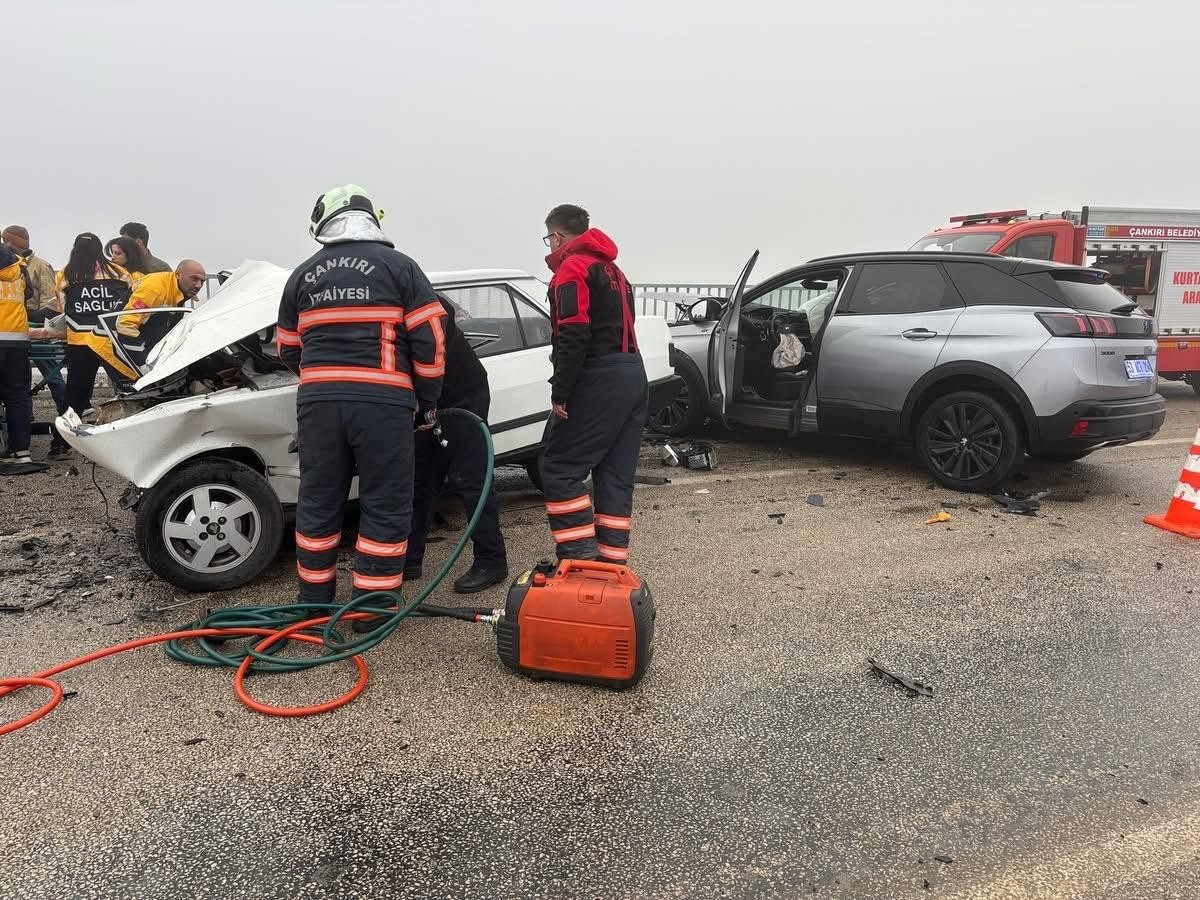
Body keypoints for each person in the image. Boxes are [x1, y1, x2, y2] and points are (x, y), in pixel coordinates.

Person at [276, 184, 446, 629]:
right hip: (384, 404)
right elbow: (431, 341)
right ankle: (371, 610)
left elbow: (287, 347)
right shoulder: (401, 268)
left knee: (318, 499)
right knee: (385, 503)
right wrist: (427, 400)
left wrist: (322, 379)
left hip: (318, 404)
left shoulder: (302, 275)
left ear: (324, 220)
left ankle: (313, 605)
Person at [539, 204, 647, 564]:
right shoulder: (615, 271)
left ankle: (579, 560)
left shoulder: (573, 268)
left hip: (599, 375)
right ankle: (612, 564)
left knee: (559, 467)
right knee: (615, 475)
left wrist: (561, 391)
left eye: (548, 239)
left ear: (557, 236)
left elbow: (573, 332)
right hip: (633, 374)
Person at [405, 297, 508, 593]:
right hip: (429, 402)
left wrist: (424, 405)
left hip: (463, 397)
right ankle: (409, 559)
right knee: (419, 482)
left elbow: (431, 355)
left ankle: (491, 561)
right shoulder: (383, 303)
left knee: (471, 481)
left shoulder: (423, 302)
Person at [48, 234, 136, 442]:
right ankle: (132, 435)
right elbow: (129, 301)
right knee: (127, 389)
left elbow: (62, 307)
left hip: (81, 342)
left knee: (75, 393)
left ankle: (62, 443)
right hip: (111, 340)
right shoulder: (119, 272)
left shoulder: (66, 275)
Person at [2, 226, 67, 437]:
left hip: (37, 328)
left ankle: (66, 413)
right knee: (21, 382)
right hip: (19, 331)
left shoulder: (40, 266)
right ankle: (25, 419)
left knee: (51, 375)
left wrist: (28, 316)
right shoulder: (16, 265)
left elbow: (51, 302)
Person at [116, 260, 206, 366]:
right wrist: (144, 363)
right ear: (178, 274)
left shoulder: (179, 291)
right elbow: (125, 325)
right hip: (111, 342)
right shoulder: (154, 289)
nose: (199, 285)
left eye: (202, 281)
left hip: (132, 342)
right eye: (194, 278)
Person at [0, 242, 33, 463]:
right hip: (16, 340)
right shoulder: (20, 267)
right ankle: (21, 452)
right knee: (17, 396)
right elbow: (28, 294)